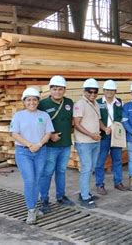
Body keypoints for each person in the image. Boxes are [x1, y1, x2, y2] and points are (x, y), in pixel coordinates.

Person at [11, 87, 54, 224]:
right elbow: (14, 134)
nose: (32, 102)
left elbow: (48, 133)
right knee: (29, 180)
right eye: (28, 100)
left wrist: (39, 144)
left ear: (38, 101)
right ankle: (31, 210)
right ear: (24, 102)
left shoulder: (44, 116)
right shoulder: (18, 116)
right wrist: (30, 145)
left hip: (40, 151)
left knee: (37, 180)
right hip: (24, 152)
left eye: (34, 100)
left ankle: (34, 208)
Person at [38, 75, 75, 214]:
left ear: (64, 90)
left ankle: (61, 196)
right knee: (47, 173)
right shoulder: (42, 104)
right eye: (54, 89)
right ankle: (44, 199)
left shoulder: (69, 102)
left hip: (65, 144)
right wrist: (50, 135)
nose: (57, 92)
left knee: (61, 171)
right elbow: (38, 124)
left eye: (60, 89)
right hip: (50, 146)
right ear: (50, 89)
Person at [73, 78, 109, 209]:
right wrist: (91, 135)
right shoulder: (80, 104)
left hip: (95, 141)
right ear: (84, 91)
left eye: (95, 92)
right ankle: (84, 197)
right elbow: (76, 124)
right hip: (84, 142)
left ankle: (86, 192)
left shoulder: (95, 104)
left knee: (91, 168)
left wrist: (104, 129)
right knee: (86, 169)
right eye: (90, 92)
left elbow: (98, 120)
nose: (92, 94)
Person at [95, 80, 126, 195]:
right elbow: (96, 119)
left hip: (116, 136)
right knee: (100, 161)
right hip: (104, 136)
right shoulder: (98, 103)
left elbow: (123, 117)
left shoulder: (119, 103)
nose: (109, 92)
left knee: (117, 160)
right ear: (103, 91)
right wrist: (104, 129)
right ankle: (100, 184)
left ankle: (118, 182)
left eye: (112, 90)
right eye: (107, 90)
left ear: (115, 91)